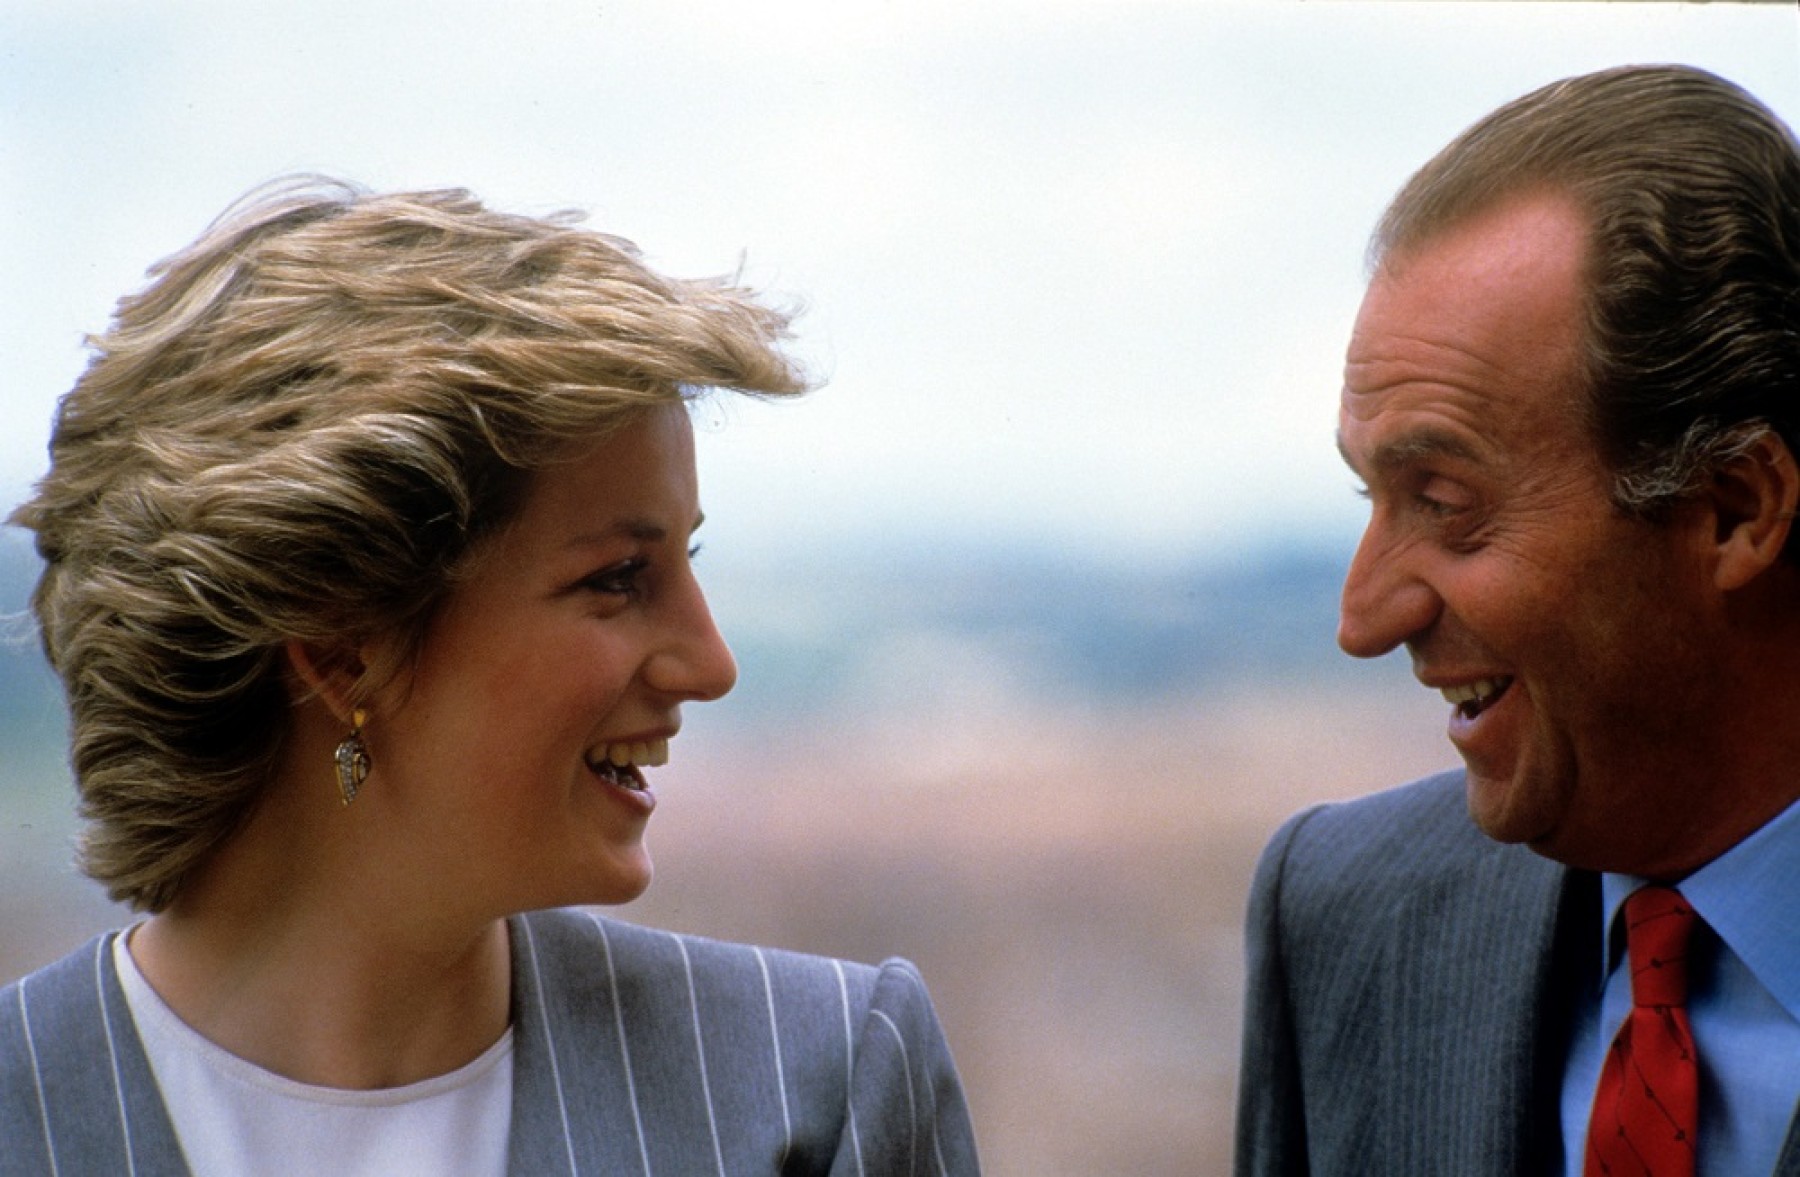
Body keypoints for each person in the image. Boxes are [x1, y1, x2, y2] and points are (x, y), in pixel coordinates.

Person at [0, 177, 980, 1175]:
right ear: (343, 650)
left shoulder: (817, 1088)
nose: (711, 663)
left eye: (687, 558)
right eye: (619, 577)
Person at [1235, 64, 1800, 1176]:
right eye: (1371, 495)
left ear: (1735, 507)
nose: (1365, 618)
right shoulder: (1343, 919)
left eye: (1445, 503)